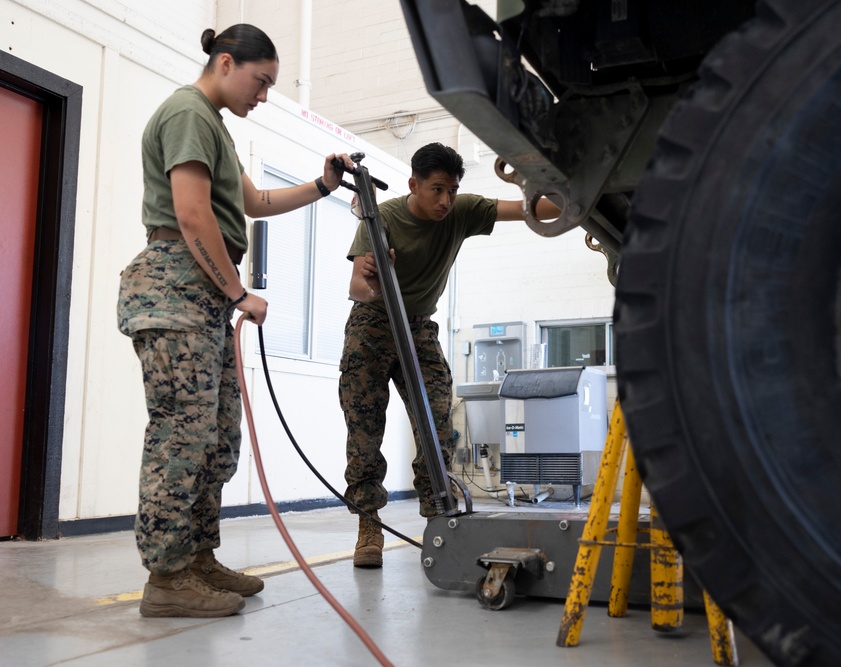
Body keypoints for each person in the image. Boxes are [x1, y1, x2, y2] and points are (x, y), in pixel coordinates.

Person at [117, 24, 353, 617]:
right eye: (262, 81)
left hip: (202, 299)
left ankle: (196, 559)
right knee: (182, 435)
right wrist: (239, 291)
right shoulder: (187, 113)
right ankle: (166, 579)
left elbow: (255, 203)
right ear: (226, 62)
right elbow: (193, 216)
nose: (265, 95)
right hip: (176, 288)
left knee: (217, 440)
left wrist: (323, 186)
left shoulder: (213, 125)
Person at [340, 142, 559, 568]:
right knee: (364, 428)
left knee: (438, 422)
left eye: (452, 190)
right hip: (372, 323)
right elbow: (356, 288)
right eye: (437, 189)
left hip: (418, 325)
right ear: (414, 185)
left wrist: (582, 201)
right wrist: (379, 281)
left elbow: (530, 210)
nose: (445, 201)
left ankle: (438, 513)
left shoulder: (461, 211)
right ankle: (369, 524)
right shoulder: (380, 218)